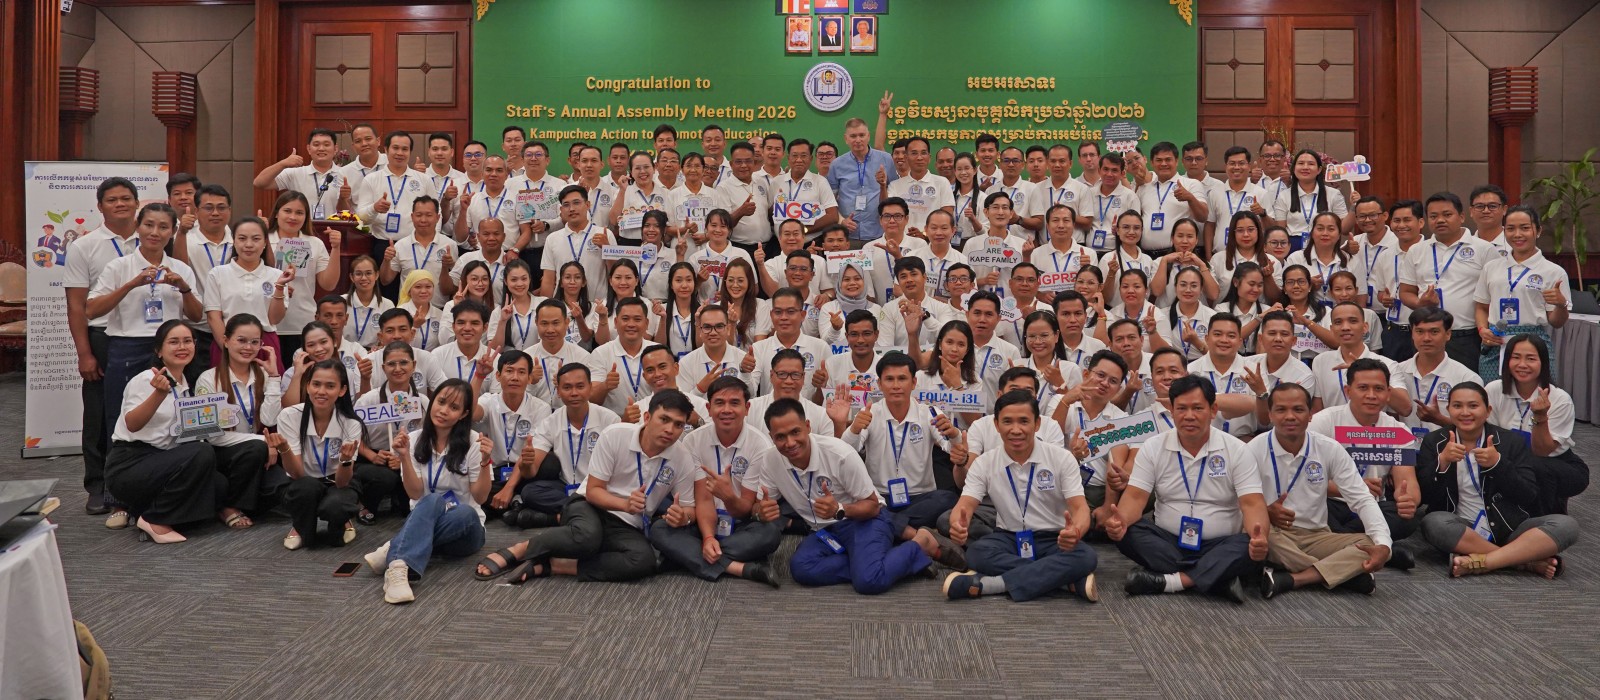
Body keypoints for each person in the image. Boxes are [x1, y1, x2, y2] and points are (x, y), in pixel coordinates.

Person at [484, 391, 700, 584]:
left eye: (678, 425)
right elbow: (593, 491)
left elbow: (690, 509)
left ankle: (552, 565)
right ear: (647, 417)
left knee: (643, 560)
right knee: (588, 537)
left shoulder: (682, 458)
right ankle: (520, 549)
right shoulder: (616, 435)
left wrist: (684, 518)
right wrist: (625, 504)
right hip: (589, 505)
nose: (670, 430)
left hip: (628, 524)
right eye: (664, 419)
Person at [1104, 375, 1269, 603]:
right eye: (1181, 408)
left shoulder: (1237, 450)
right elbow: (1135, 498)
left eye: (1197, 408)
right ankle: (1217, 577)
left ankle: (1173, 581)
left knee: (1248, 546)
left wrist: (1259, 539)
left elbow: (1252, 504)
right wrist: (1120, 522)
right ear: (1172, 410)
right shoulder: (1153, 447)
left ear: (1213, 410)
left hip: (1219, 543)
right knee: (1128, 533)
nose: (1189, 415)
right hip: (1169, 541)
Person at [88, 202, 204, 527]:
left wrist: (183, 287)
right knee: (119, 421)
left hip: (173, 350)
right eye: (149, 225)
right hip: (127, 347)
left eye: (163, 227)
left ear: (173, 231)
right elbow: (91, 310)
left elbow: (196, 315)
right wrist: (131, 284)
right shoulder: (119, 266)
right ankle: (118, 501)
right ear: (138, 227)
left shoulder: (181, 268)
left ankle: (164, 488)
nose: (155, 232)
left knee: (176, 419)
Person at [747, 398, 932, 592]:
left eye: (795, 432)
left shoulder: (840, 454)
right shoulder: (770, 459)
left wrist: (840, 509)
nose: (790, 443)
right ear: (771, 437)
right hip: (824, 530)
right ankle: (877, 560)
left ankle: (920, 543)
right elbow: (758, 507)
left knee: (869, 582)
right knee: (801, 568)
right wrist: (760, 513)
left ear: (807, 426)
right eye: (780, 437)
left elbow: (873, 507)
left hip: (863, 521)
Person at [944, 390, 1098, 601]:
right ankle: (1061, 580)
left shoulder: (1062, 458)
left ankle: (992, 585)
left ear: (1037, 424)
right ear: (996, 425)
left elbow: (1080, 508)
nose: (1016, 430)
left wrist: (1076, 531)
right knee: (977, 553)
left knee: (1086, 557)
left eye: (1024, 421)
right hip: (1009, 538)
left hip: (1054, 539)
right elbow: (965, 505)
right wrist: (958, 525)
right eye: (1007, 422)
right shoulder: (984, 463)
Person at [1416, 383, 1578, 578]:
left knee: (1567, 525)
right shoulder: (1435, 442)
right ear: (1449, 409)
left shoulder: (1510, 441)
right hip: (1463, 529)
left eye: (1473, 406)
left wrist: (1498, 464)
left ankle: (1485, 561)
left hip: (1510, 527)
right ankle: (1524, 562)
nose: (1465, 412)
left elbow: (1528, 495)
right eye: (1457, 406)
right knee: (1433, 522)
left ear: (1488, 411)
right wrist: (1442, 462)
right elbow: (1425, 496)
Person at [1252, 383, 1392, 598]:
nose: (1290, 416)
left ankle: (1296, 578)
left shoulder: (1329, 448)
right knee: (1256, 535)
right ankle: (1345, 575)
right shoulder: (1253, 450)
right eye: (1281, 410)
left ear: (1310, 415)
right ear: (1270, 414)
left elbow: (1362, 499)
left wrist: (1383, 545)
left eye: (1298, 409)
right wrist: (1265, 511)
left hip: (1316, 535)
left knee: (1373, 543)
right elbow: (1237, 501)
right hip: (1274, 532)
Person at [364, 379, 492, 604]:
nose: (443, 410)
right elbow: (415, 494)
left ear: (463, 414)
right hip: (428, 518)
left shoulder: (474, 442)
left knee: (466, 512)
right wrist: (404, 456)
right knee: (432, 499)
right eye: (441, 402)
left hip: (465, 530)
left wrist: (484, 462)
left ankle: (395, 547)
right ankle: (398, 568)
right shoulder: (414, 439)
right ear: (432, 402)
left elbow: (480, 497)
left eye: (454, 407)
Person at [837, 353, 968, 568]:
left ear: (914, 382)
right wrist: (854, 429)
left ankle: (889, 529)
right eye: (889, 379)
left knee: (947, 498)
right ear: (879, 384)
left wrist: (954, 436)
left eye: (902, 378)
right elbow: (846, 453)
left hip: (920, 499)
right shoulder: (869, 413)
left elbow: (950, 447)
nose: (896, 385)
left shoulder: (929, 412)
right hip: (880, 498)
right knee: (866, 507)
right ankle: (914, 538)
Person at [655, 377, 783, 586]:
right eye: (719, 403)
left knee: (770, 534)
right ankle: (740, 568)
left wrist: (729, 496)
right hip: (701, 521)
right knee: (659, 529)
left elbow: (745, 508)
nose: (726, 410)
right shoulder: (693, 440)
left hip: (740, 524)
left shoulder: (760, 445)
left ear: (747, 408)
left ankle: (683, 557)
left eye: (735, 403)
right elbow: (703, 500)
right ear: (708, 408)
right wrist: (707, 538)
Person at [103, 321, 223, 543]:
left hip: (161, 460)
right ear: (159, 350)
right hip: (130, 463)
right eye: (174, 342)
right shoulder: (146, 379)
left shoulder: (185, 385)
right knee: (202, 453)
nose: (182, 347)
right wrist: (158, 395)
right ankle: (154, 519)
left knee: (218, 483)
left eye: (187, 341)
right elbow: (132, 424)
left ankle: (145, 510)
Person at [1307, 358, 1422, 556]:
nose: (1371, 395)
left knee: (1406, 518)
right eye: (1363, 388)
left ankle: (1339, 545)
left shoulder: (1398, 430)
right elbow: (1305, 479)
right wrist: (1353, 489)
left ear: (1388, 393)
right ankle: (1381, 550)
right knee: (1307, 509)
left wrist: (1408, 500)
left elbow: (1407, 480)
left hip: (1372, 506)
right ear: (1348, 391)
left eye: (1378, 389)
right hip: (1331, 501)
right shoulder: (1323, 422)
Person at [192, 314, 280, 530]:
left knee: (281, 488)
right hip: (220, 451)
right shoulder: (208, 379)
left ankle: (238, 500)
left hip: (253, 451)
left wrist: (274, 377)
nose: (248, 347)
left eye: (255, 342)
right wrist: (263, 441)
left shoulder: (263, 375)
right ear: (226, 340)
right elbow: (211, 436)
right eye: (241, 340)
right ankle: (228, 506)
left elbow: (269, 419)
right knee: (256, 450)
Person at [1486, 335, 1589, 515]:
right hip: (1508, 458)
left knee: (1534, 466)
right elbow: (1487, 434)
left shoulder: (1560, 399)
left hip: (1555, 463)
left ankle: (1548, 520)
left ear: (1543, 363)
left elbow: (1542, 451)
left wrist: (1540, 416)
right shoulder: (1493, 390)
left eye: (1531, 359)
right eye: (1516, 357)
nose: (1522, 364)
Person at [271, 358, 364, 549]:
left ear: (342, 390)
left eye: (330, 386)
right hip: (303, 481)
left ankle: (342, 521)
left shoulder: (351, 423)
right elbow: (297, 474)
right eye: (316, 384)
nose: (321, 391)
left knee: (335, 509)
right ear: (307, 386)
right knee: (305, 489)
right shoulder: (289, 416)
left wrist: (345, 461)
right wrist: (284, 449)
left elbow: (342, 483)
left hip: (336, 481)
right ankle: (300, 526)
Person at [1399, 192, 1496, 368]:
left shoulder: (1484, 249)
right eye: (1433, 216)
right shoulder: (1416, 250)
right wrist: (1420, 303)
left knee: (1468, 383)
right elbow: (1405, 292)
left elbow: (1495, 293)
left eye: (1447, 214)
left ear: (1462, 217)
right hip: (1428, 335)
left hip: (1467, 335)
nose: (1440, 220)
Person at [1474, 205, 1570, 380]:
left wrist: (1561, 304)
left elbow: (1557, 322)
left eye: (1525, 228)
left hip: (1533, 344)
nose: (1517, 234)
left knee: (1537, 394)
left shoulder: (1553, 272)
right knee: (1494, 394)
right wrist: (1482, 330)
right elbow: (1481, 307)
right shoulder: (1491, 267)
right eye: (1511, 229)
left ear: (1538, 231)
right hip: (1496, 343)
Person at [353, 341, 429, 523]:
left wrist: (404, 459)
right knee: (384, 478)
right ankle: (364, 505)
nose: (398, 368)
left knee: (407, 509)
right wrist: (372, 455)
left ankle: (399, 499)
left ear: (414, 365)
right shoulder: (368, 400)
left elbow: (428, 439)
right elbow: (351, 437)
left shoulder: (423, 402)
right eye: (391, 364)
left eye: (403, 363)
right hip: (374, 458)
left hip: (408, 458)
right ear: (383, 368)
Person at [201, 217, 287, 369]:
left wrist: (279, 287)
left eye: (256, 239)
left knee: (268, 383)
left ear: (265, 242)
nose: (248, 244)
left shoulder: (277, 275)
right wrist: (228, 348)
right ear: (233, 241)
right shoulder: (217, 274)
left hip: (264, 344)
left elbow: (274, 319)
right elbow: (213, 317)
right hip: (227, 343)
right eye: (242, 238)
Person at [266, 190, 340, 360]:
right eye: (287, 211)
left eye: (299, 213)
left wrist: (336, 248)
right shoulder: (262, 239)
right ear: (276, 213)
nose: (293, 217)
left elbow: (328, 284)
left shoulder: (315, 243)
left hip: (302, 322)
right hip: (268, 322)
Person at [1308, 302, 1411, 413]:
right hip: (1333, 424)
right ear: (1332, 329)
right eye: (1338, 322)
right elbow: (1317, 409)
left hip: (1372, 424)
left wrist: (1369, 373)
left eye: (1353, 321)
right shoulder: (1321, 361)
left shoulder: (1388, 364)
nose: (1345, 327)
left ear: (1365, 327)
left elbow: (1405, 409)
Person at [1397, 306, 1481, 441]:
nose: (1426, 338)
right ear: (1412, 333)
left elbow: (1476, 428)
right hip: (1404, 449)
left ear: (1448, 334)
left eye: (1434, 332)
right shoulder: (1397, 371)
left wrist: (1440, 420)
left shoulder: (1466, 378)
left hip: (1448, 448)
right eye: (1419, 331)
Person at [540, 184, 615, 300]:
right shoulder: (552, 239)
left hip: (597, 305)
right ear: (561, 210)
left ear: (587, 205)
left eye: (576, 203)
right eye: (566, 205)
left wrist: (607, 249)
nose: (571, 209)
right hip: (562, 307)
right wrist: (547, 306)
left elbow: (615, 274)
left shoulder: (605, 234)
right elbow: (548, 280)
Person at [750, 287, 831, 393]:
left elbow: (830, 392)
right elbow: (750, 392)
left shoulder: (821, 347)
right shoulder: (759, 348)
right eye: (778, 312)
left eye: (790, 312)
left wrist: (822, 386)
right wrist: (744, 373)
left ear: (802, 315)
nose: (784, 317)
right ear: (771, 315)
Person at [254, 128, 351, 217]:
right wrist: (283, 163)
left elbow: (349, 212)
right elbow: (259, 183)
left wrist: (343, 198)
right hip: (301, 228)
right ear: (309, 149)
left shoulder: (345, 174)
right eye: (316, 145)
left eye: (326, 145)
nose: (321, 148)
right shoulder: (295, 173)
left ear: (335, 149)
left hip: (334, 228)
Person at [1374, 200, 1427, 360]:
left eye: (1407, 220)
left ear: (1421, 222)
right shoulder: (1385, 255)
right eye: (1396, 220)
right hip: (1394, 329)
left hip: (1424, 329)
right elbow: (1381, 291)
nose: (1401, 225)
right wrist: (1384, 298)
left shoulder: (1431, 253)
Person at [1137, 141, 1210, 257]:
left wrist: (1190, 198)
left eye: (1168, 159)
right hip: (1146, 255)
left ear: (1176, 161)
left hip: (1178, 254)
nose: (1163, 164)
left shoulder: (1191, 184)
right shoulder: (1143, 189)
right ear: (1152, 163)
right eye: (1159, 160)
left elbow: (1203, 217)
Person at [523, 298, 599, 409]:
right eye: (544, 323)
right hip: (534, 415)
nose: (550, 330)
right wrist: (531, 383)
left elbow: (589, 397)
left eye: (555, 323)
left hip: (570, 415)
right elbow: (517, 400)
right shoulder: (526, 358)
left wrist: (567, 386)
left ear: (566, 322)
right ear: (536, 323)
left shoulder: (582, 357)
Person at [747, 348, 839, 437]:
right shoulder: (751, 409)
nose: (789, 381)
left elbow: (832, 446)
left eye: (795, 375)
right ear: (771, 375)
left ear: (803, 377)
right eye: (782, 374)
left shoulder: (821, 415)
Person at [1204, 146, 1275, 254]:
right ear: (1225, 166)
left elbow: (1271, 229)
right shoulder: (1215, 192)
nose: (1237, 167)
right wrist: (1209, 257)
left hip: (1252, 256)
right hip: (1220, 256)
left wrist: (1262, 213)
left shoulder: (1260, 193)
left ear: (1249, 166)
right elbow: (1210, 226)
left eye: (1241, 163)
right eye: (1232, 163)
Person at [1277, 149, 1351, 250]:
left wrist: (1354, 208)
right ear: (1293, 169)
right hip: (1293, 248)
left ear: (1319, 170)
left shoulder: (1333, 194)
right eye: (1301, 163)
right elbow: (1280, 231)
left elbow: (1344, 230)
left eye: (1311, 164)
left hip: (1326, 246)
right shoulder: (1284, 196)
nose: (1305, 167)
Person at [1020, 145, 1090, 236]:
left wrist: (1066, 213)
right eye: (1053, 161)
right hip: (1044, 244)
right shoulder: (1036, 188)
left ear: (1070, 163)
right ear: (1048, 163)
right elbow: (1034, 222)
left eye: (1062, 161)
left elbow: (1087, 224)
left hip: (1075, 243)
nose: (1057, 165)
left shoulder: (1082, 188)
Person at [1152, 218, 1221, 307]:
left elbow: (1214, 295)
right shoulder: (1159, 262)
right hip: (1166, 313)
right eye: (1180, 236)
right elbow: (1156, 292)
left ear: (1196, 240)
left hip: (1197, 314)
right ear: (1172, 238)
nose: (1185, 241)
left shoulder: (1204, 265)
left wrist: (1201, 265)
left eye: (1190, 236)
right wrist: (1164, 261)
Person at [486, 259, 542, 352]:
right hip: (509, 360)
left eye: (524, 279)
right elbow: (494, 350)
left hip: (537, 359)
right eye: (514, 280)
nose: (519, 284)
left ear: (530, 279)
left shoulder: (543, 304)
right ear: (505, 281)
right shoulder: (498, 312)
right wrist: (503, 321)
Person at [653, 262, 702, 359]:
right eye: (678, 280)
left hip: (697, 363)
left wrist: (698, 320)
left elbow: (704, 346)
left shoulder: (702, 311)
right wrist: (663, 319)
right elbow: (658, 347)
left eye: (689, 280)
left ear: (694, 283)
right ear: (671, 284)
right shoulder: (661, 310)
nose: (684, 285)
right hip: (670, 363)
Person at [344, 255, 393, 349]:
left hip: (375, 353)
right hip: (346, 353)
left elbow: (390, 336)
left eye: (368, 273)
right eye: (358, 274)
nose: (364, 278)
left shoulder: (387, 305)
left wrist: (380, 348)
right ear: (352, 277)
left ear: (376, 275)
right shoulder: (341, 302)